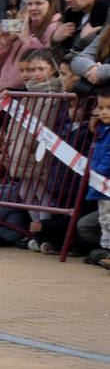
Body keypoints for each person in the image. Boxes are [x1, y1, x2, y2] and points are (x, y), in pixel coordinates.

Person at [0, 0, 62, 93]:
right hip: (7, 90)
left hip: (31, 91)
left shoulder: (53, 27)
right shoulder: (24, 25)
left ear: (51, 4)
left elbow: (45, 61)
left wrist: (26, 39)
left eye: (39, 3)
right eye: (29, 4)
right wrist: (3, 44)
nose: (33, 8)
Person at [84, 86, 110, 269]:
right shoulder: (104, 130)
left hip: (105, 181)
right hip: (100, 185)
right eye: (101, 108)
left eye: (109, 108)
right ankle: (105, 249)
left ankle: (107, 249)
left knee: (108, 218)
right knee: (104, 218)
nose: (104, 112)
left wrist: (98, 173)